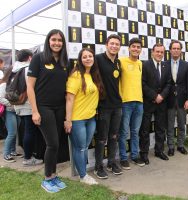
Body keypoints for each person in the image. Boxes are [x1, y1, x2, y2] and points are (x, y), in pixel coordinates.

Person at [27, 29, 68, 193]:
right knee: (52, 143)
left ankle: (53, 174)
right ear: (48, 41)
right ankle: (47, 178)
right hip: (44, 107)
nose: (57, 43)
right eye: (54, 39)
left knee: (56, 144)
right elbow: (30, 86)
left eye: (60, 40)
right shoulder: (38, 58)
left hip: (60, 108)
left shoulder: (65, 62)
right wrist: (35, 111)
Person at [65, 48, 103, 184]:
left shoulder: (92, 75)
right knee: (80, 147)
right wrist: (68, 120)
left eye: (90, 56)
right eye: (85, 57)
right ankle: (83, 176)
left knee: (84, 147)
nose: (88, 59)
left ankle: (82, 172)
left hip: (91, 118)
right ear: (80, 60)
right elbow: (69, 99)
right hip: (77, 120)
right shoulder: (76, 75)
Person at [94, 34, 123, 179]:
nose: (114, 46)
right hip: (103, 106)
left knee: (114, 136)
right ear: (106, 44)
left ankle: (112, 162)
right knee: (101, 138)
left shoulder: (118, 62)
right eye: (112, 43)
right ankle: (98, 166)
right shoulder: (97, 59)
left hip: (117, 105)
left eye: (117, 44)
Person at [139, 43, 171, 164]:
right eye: (157, 51)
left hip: (162, 103)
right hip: (148, 102)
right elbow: (143, 83)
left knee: (160, 128)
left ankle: (159, 151)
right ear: (152, 52)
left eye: (161, 52)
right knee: (145, 130)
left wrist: (161, 96)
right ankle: (144, 154)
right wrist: (154, 96)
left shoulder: (165, 66)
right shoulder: (145, 65)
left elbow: (169, 83)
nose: (159, 54)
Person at [11, 49, 44, 166]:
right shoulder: (27, 69)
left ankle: (29, 155)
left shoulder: (14, 70)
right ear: (30, 58)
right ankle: (28, 158)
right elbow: (31, 88)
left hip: (19, 105)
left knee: (27, 131)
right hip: (28, 106)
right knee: (29, 132)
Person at [118, 38, 145, 170]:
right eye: (133, 46)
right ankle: (123, 158)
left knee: (135, 131)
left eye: (138, 47)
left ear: (141, 49)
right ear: (128, 48)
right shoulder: (121, 61)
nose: (135, 49)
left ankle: (134, 155)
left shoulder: (140, 63)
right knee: (123, 132)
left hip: (139, 102)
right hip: (125, 102)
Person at [165, 40, 188, 156]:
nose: (176, 50)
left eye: (178, 48)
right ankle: (170, 146)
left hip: (182, 100)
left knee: (181, 124)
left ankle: (180, 145)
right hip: (168, 100)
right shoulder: (164, 64)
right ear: (170, 50)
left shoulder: (186, 65)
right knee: (169, 125)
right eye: (173, 48)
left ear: (181, 50)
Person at [0, 67, 23, 163]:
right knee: (12, 132)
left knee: (14, 132)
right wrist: (13, 104)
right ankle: (6, 154)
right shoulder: (4, 85)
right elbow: (1, 98)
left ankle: (12, 151)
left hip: (16, 111)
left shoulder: (15, 83)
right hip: (9, 111)